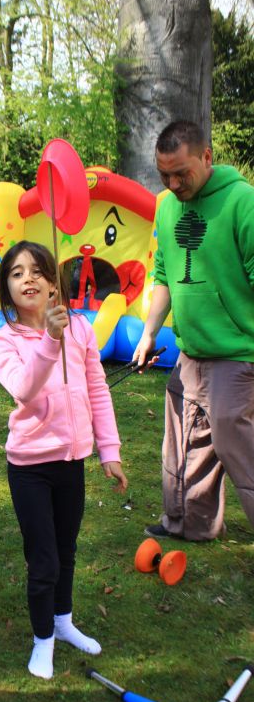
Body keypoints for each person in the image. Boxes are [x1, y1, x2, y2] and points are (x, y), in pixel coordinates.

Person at [0, 242, 127, 680]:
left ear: (52, 283)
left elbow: (98, 389)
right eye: (17, 273)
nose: (28, 279)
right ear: (7, 289)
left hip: (73, 461)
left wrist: (110, 450)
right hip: (29, 466)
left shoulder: (81, 329)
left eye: (38, 271)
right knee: (43, 558)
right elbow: (23, 389)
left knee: (66, 550)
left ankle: (63, 622)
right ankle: (42, 639)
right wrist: (49, 338)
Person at [133, 120, 254, 542]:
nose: (173, 182)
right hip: (190, 352)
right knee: (184, 441)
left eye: (181, 172)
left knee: (234, 440)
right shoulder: (166, 206)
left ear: (207, 156)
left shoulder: (243, 202)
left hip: (238, 352)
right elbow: (163, 273)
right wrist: (150, 332)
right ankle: (188, 523)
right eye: (164, 173)